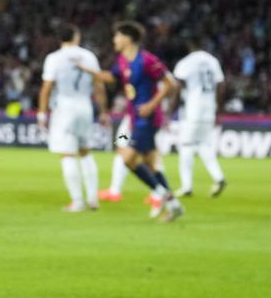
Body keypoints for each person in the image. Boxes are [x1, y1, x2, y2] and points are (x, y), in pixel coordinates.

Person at [79, 21, 183, 221]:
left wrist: (153, 105)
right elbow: (111, 77)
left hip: (148, 119)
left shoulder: (146, 60)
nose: (114, 40)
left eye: (117, 36)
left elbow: (170, 84)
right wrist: (89, 71)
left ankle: (163, 197)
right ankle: (173, 204)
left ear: (128, 38)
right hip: (132, 120)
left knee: (127, 158)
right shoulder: (123, 61)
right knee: (145, 161)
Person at [37, 24, 106, 212]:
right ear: (76, 37)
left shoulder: (54, 58)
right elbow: (99, 85)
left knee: (67, 154)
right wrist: (104, 111)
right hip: (85, 106)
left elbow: (47, 87)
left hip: (64, 108)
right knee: (85, 152)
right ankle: (93, 199)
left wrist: (42, 113)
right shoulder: (89, 56)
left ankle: (77, 202)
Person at [173, 41, 227, 197]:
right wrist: (218, 109)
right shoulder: (213, 61)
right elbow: (221, 86)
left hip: (193, 110)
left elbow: (178, 87)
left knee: (186, 146)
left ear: (190, 47)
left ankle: (186, 186)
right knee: (203, 144)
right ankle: (219, 177)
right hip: (209, 109)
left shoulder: (186, 62)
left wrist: (171, 109)